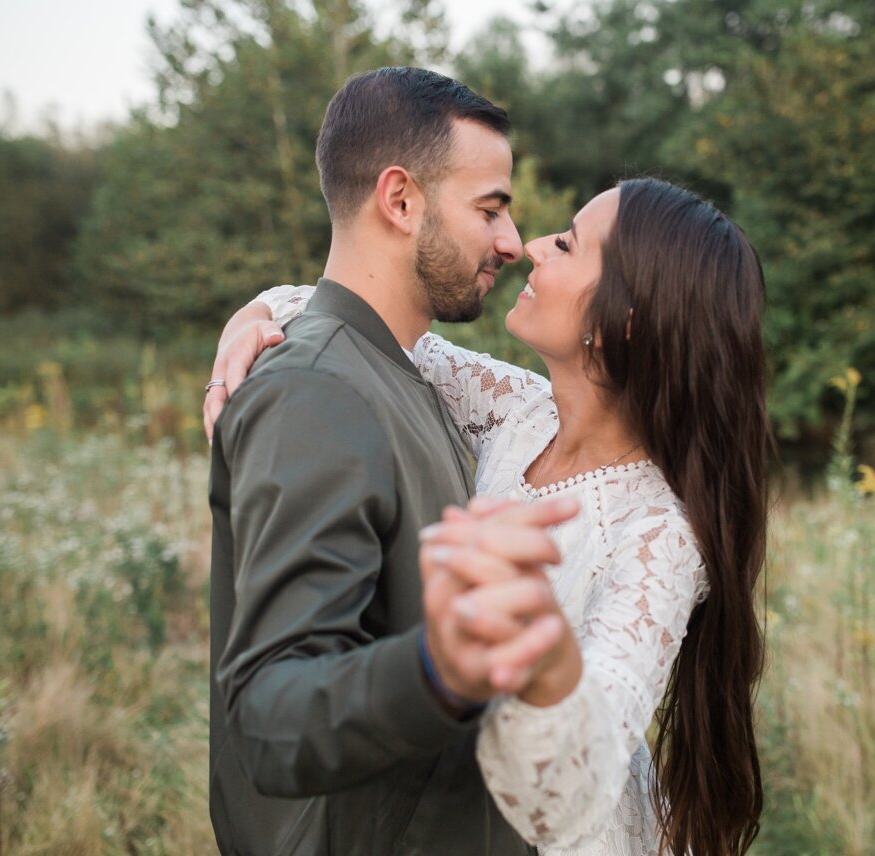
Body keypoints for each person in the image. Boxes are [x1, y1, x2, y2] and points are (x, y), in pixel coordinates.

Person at [209, 178, 770, 855]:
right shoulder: (519, 410)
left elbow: (579, 774)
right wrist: (248, 326)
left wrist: (543, 657)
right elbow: (352, 320)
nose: (532, 246)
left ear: (622, 321)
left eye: (566, 244)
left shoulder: (660, 535)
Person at [206, 66, 578, 856]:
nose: (512, 242)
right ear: (401, 200)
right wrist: (438, 671)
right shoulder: (315, 393)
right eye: (491, 209)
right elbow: (271, 719)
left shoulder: (401, 378)